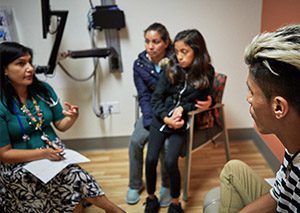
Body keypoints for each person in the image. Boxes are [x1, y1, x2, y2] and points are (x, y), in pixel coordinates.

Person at [0, 42, 125, 213]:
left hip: (53, 154)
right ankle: (114, 210)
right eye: (21, 64)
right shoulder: (1, 104)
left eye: (30, 62)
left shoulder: (42, 90)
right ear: (4, 69)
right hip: (18, 166)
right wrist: (42, 153)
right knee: (72, 177)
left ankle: (111, 210)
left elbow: (61, 125)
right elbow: (5, 154)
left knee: (70, 177)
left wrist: (72, 118)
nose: (30, 68)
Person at [127, 23, 212, 206]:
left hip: (179, 121)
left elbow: (199, 96)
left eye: (156, 41)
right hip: (158, 115)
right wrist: (163, 118)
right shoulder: (163, 67)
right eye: (147, 41)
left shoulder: (198, 70)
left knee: (170, 157)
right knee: (145, 152)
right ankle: (144, 192)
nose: (150, 46)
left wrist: (185, 108)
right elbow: (151, 97)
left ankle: (172, 197)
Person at [219, 24, 300, 212]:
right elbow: (278, 193)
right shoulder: (294, 143)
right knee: (233, 170)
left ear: (279, 107)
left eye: (252, 91)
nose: (248, 98)